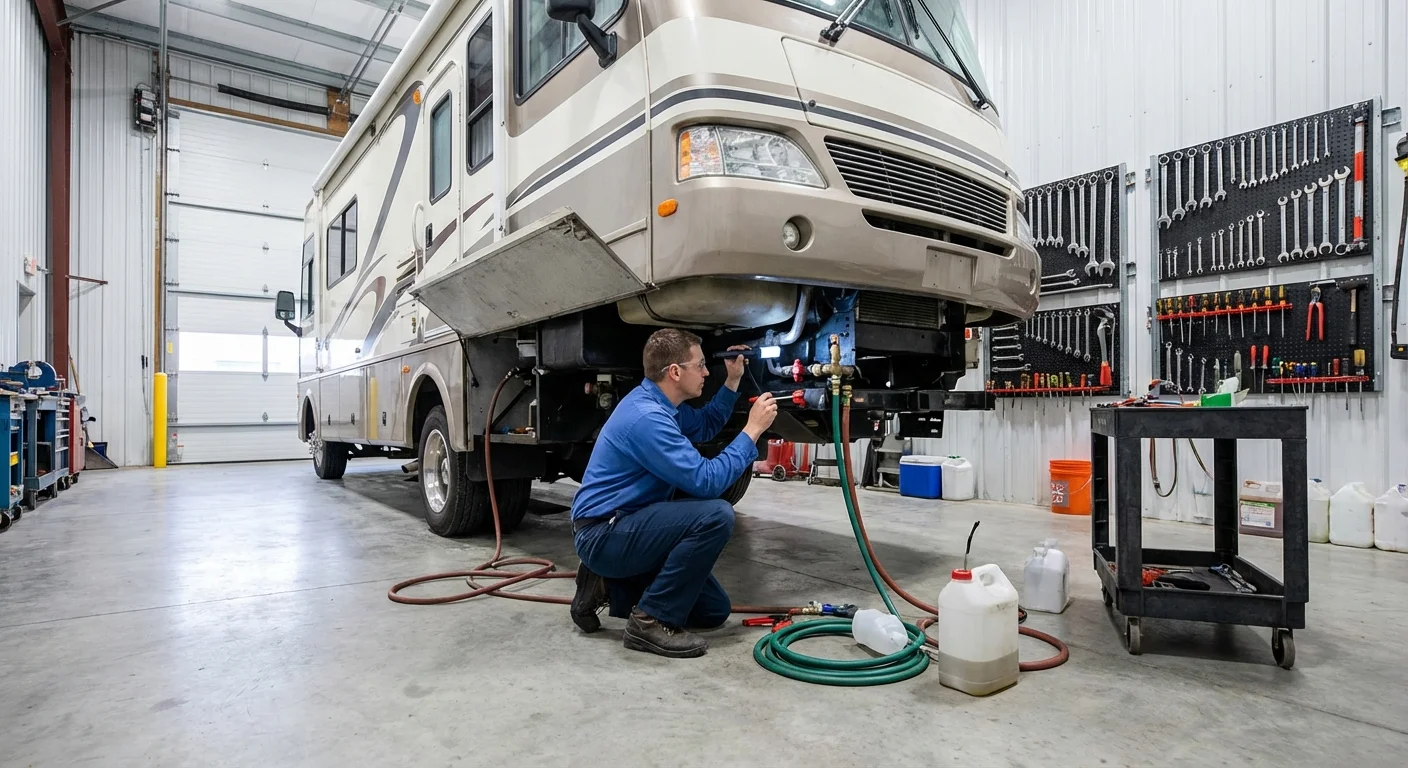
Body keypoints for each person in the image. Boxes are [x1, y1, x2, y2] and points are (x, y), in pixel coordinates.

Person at [568, 328, 778, 658]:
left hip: (626, 522)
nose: (707, 372)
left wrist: (733, 380)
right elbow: (707, 482)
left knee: (713, 611)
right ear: (676, 372)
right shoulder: (648, 418)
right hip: (604, 531)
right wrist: (752, 430)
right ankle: (650, 622)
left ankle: (608, 583)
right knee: (715, 514)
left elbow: (707, 424)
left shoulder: (665, 406)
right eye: (701, 365)